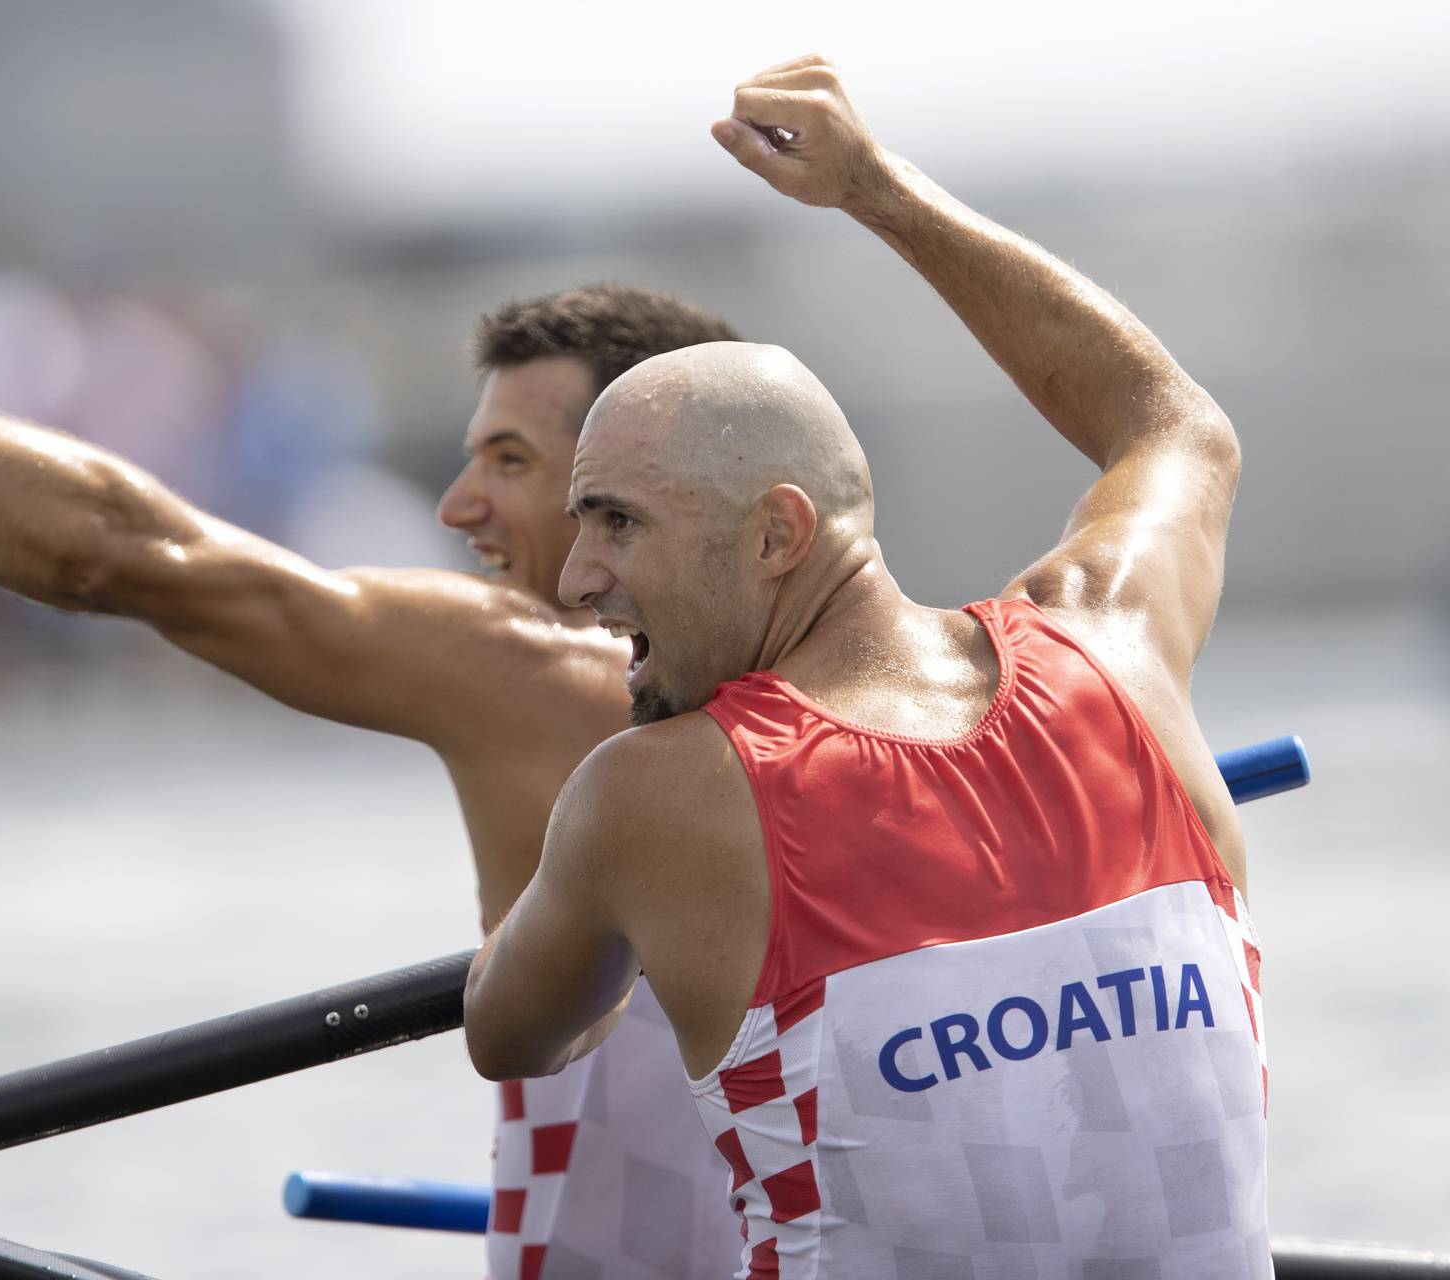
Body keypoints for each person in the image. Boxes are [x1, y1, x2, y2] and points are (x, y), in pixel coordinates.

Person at [0, 257, 747, 1273]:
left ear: (642, 481)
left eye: (510, 460)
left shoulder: (537, 673)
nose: (459, 506)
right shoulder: (914, 690)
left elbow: (122, 552)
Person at [465, 55, 1264, 1279]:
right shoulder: (1120, 647)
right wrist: (880, 191)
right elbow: (1175, 425)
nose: (576, 580)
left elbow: (510, 1032)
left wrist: (576, 887)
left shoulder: (653, 794)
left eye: (617, 522)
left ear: (780, 533)